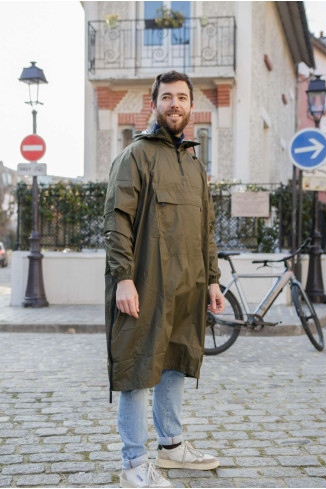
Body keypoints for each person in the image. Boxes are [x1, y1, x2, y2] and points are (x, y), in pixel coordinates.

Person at [104, 70, 225, 488]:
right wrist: (123, 278)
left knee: (175, 362)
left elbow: (206, 228)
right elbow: (116, 220)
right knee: (139, 368)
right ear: (152, 104)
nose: (175, 103)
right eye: (167, 97)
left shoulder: (194, 165)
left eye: (182, 97)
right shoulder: (135, 156)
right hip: (145, 281)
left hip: (188, 285)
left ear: (191, 106)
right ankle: (135, 463)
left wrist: (212, 279)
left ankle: (171, 447)